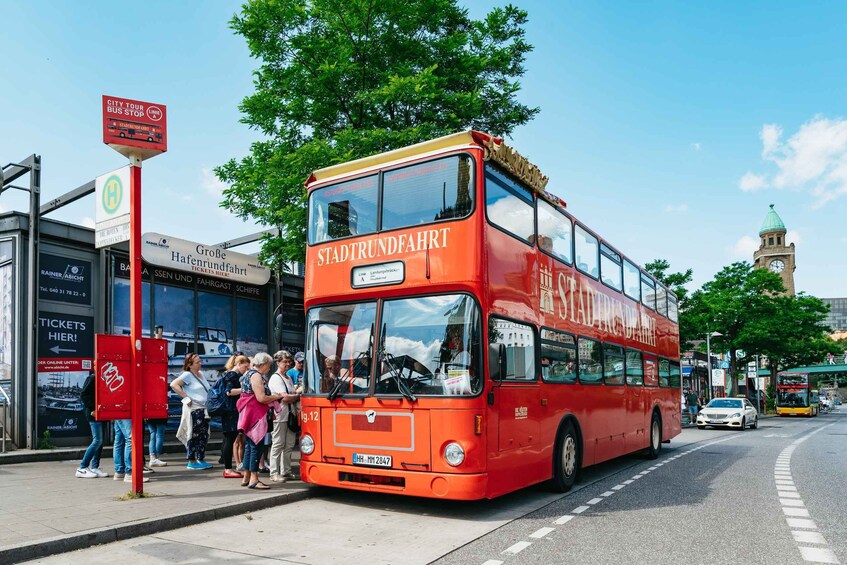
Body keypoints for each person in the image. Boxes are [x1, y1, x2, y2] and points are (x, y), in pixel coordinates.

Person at [237, 352, 284, 490]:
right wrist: (276, 396)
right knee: (256, 446)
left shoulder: (247, 374)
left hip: (248, 414)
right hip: (256, 415)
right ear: (262, 364)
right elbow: (261, 398)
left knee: (249, 446)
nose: (269, 368)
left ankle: (246, 476)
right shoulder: (256, 375)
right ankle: (254, 479)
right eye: (269, 365)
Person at [172, 353, 213, 470]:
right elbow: (174, 384)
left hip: (203, 409)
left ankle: (200, 458)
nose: (200, 363)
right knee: (194, 434)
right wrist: (186, 397)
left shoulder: (201, 374)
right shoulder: (187, 375)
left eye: (200, 361)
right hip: (195, 408)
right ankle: (191, 460)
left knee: (203, 435)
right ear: (190, 365)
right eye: (197, 362)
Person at [269, 350, 301, 482]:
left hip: (290, 415)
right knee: (278, 444)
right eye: (284, 362)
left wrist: (291, 396)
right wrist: (297, 395)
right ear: (277, 362)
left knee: (289, 445)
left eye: (289, 361)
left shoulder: (287, 377)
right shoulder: (276, 378)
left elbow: (287, 397)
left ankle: (286, 471)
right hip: (280, 415)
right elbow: (285, 398)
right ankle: (274, 472)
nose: (287, 364)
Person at [219, 354, 248, 478]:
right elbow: (229, 392)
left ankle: (228, 468)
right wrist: (245, 389)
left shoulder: (229, 374)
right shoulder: (233, 375)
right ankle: (228, 469)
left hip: (229, 411)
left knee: (229, 439)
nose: (245, 370)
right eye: (245, 367)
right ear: (239, 364)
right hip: (231, 411)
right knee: (229, 439)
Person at [76, 373, 108, 478]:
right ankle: (82, 467)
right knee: (97, 440)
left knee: (100, 441)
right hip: (94, 413)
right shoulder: (92, 378)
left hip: (101, 413)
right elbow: (83, 395)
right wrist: (93, 408)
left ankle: (95, 467)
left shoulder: (103, 378)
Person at [113, 418, 149, 483]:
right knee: (131, 438)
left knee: (119, 441)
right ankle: (130, 472)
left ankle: (119, 471)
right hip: (127, 410)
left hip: (118, 410)